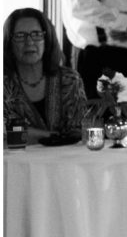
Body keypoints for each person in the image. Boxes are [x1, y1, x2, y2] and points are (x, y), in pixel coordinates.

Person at [3, 8, 86, 143]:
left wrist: (31, 134)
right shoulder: (4, 84)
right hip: (14, 161)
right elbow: (5, 132)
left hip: (65, 159)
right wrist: (50, 136)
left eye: (36, 34)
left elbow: (78, 132)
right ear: (9, 42)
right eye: (20, 36)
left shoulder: (70, 80)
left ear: (47, 40)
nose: (29, 42)